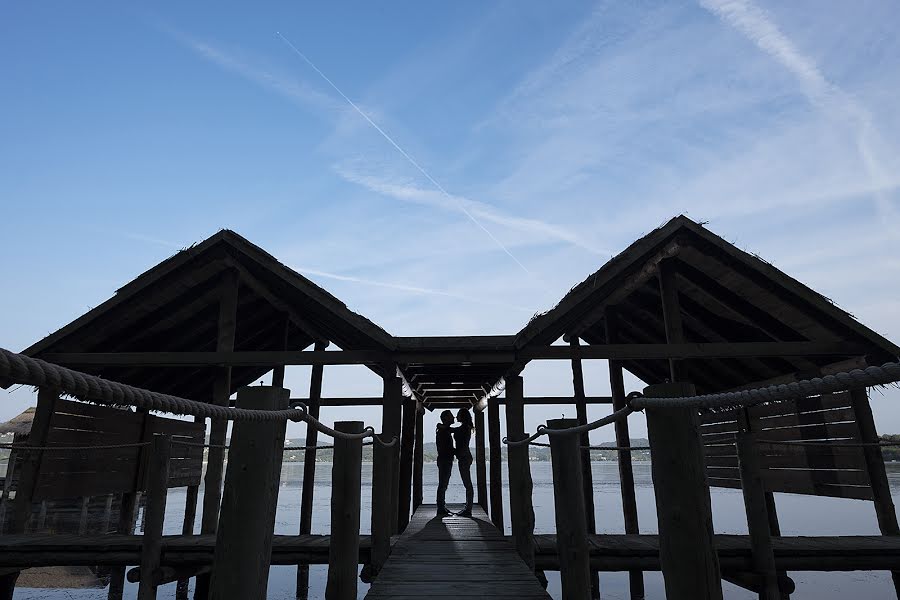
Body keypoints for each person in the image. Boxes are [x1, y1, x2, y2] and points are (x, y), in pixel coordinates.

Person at [453, 408, 475, 517]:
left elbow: (453, 431)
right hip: (465, 456)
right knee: (467, 483)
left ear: (463, 416)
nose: (456, 417)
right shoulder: (465, 427)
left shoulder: (464, 428)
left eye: (458, 415)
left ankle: (468, 509)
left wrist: (442, 427)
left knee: (467, 484)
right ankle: (468, 507)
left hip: (464, 457)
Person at [435, 410, 455, 516]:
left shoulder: (444, 430)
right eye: (451, 416)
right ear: (446, 418)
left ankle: (441, 506)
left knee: (443, 484)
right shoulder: (443, 431)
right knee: (443, 484)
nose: (454, 418)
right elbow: (445, 448)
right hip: (444, 460)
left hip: (444, 460)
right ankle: (440, 508)